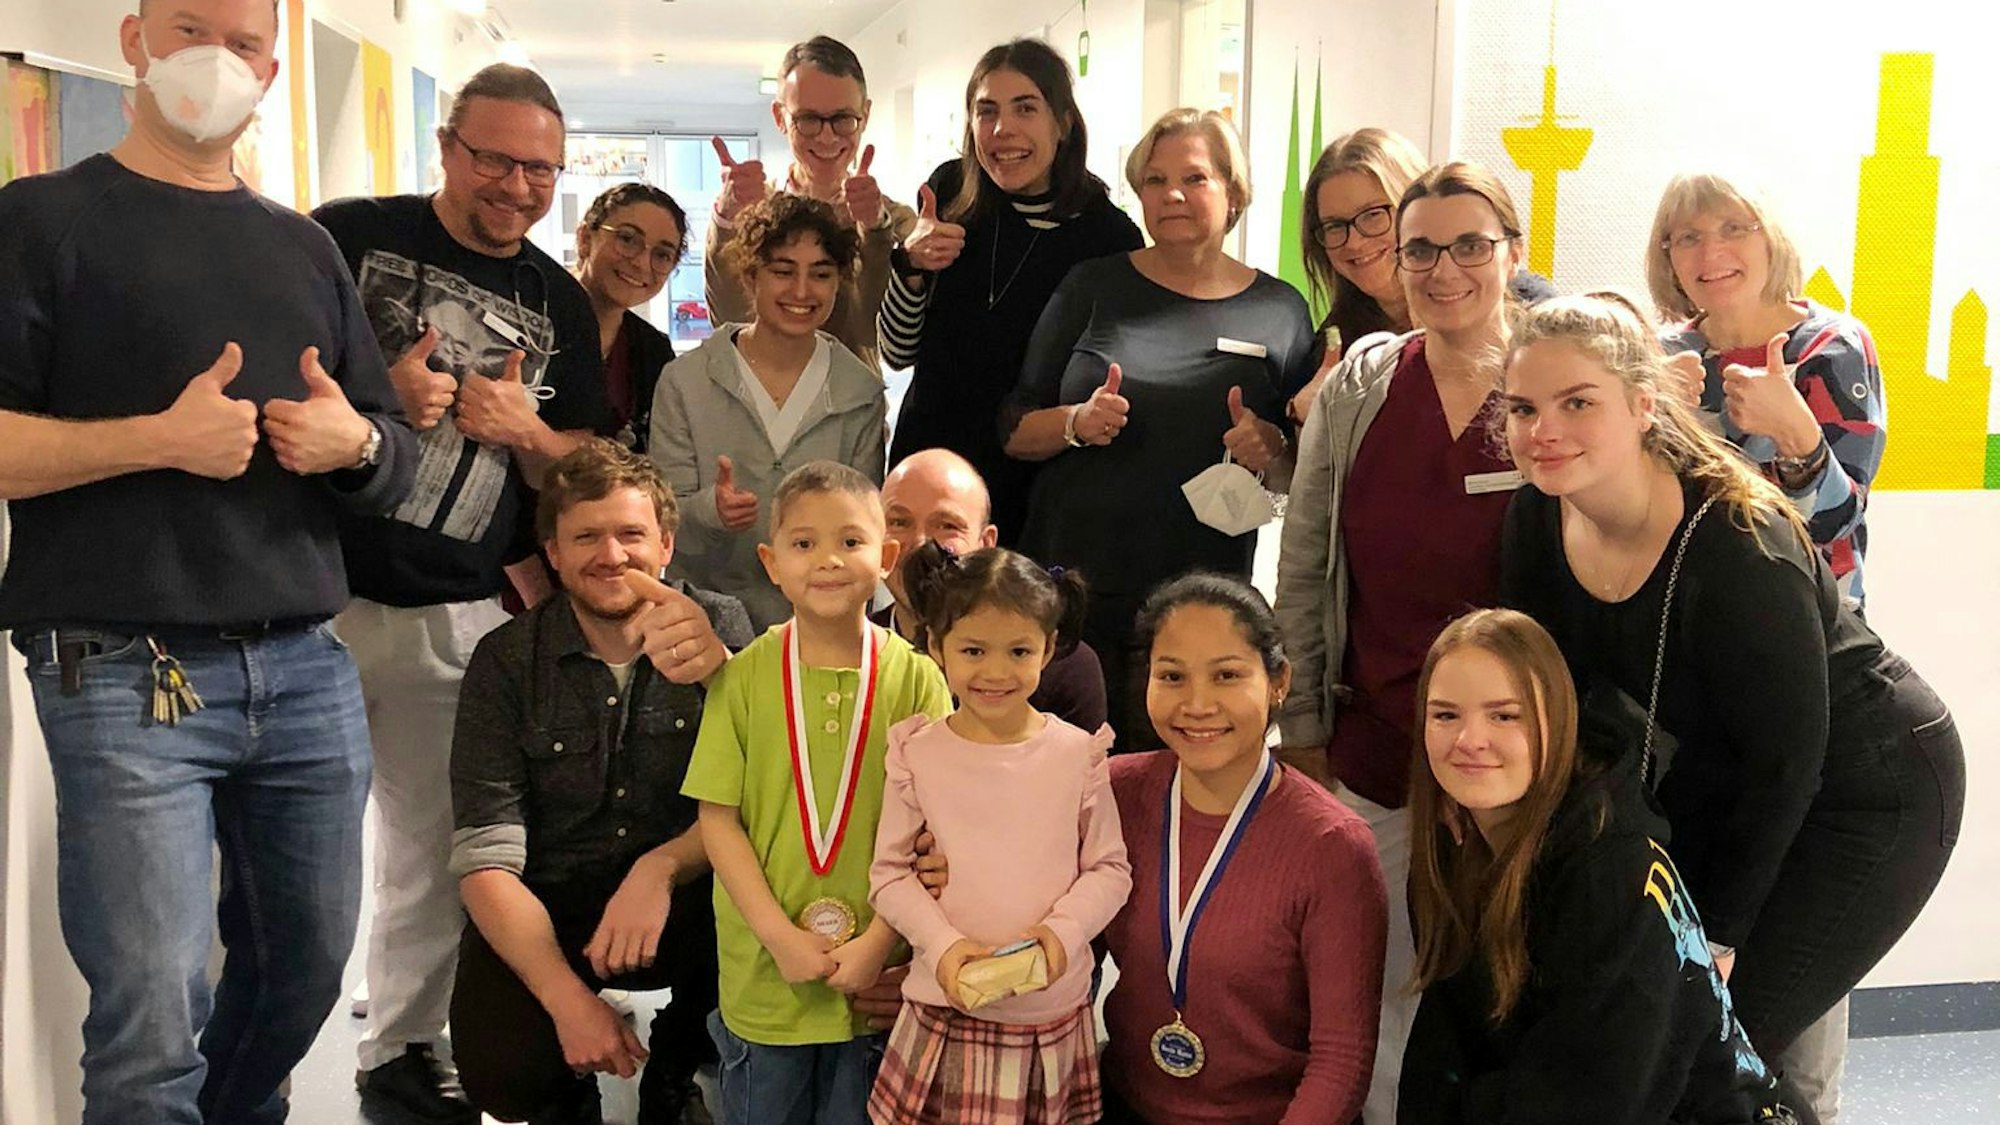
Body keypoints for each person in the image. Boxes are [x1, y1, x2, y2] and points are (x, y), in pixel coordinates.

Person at [0, 0, 417, 1119]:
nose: (216, 64)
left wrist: (357, 444)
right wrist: (159, 442)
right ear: (135, 42)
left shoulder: (303, 246)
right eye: (192, 30)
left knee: (304, 975)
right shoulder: (40, 223)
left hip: (305, 665)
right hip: (119, 667)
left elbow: (393, 454)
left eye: (243, 46)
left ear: (273, 70)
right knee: (151, 1011)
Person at [1498, 294, 1964, 1118]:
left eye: (1578, 403)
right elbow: (1558, 710)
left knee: (1716, 1044)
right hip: (1724, 772)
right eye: (1525, 408)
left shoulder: (1740, 541)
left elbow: (1787, 764)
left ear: (1643, 406)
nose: (1546, 430)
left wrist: (1716, 935)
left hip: (1871, 789)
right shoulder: (1536, 518)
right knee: (1647, 1037)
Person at [313, 62, 611, 1121]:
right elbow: (265, 382)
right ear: (448, 146)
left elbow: (583, 458)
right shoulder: (342, 235)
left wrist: (524, 432)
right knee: (278, 851)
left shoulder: (557, 296)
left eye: (539, 167)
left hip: (456, 612)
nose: (516, 185)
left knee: (432, 852)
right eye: (495, 157)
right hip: (310, 600)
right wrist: (376, 398)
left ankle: (397, 1049)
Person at [1273, 160, 1530, 1124]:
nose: (1444, 267)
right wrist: (1299, 727)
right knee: (1376, 993)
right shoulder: (1366, 384)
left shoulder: (1550, 383)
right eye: (1421, 247)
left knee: (1510, 981)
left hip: (1515, 758)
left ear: (1513, 252)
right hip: (1378, 745)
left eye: (1470, 244)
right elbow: (1304, 563)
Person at [1398, 608, 1800, 1125]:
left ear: (1558, 723)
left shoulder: (1611, 875)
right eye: (1445, 715)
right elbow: (1441, 1060)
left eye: (1505, 715)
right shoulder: (1453, 854)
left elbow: (1588, 1103)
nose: (1469, 740)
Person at [446, 440, 745, 1125]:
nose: (611, 555)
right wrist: (568, 1001)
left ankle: (673, 1072)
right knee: (504, 1074)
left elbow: (763, 796)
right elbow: (485, 860)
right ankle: (566, 1083)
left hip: (689, 899)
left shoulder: (721, 628)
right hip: (551, 904)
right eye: (586, 536)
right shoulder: (505, 661)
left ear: (666, 545)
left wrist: (661, 868)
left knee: (764, 904)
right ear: (552, 550)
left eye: (631, 534)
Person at [1004, 108, 1313, 744]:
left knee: (1180, 778)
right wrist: (1075, 423)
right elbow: (1013, 428)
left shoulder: (1279, 310)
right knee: (1065, 777)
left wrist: (1272, 447)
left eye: (1195, 178)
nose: (1171, 194)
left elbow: (1299, 471)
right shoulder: (1092, 285)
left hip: (1201, 600)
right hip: (1075, 591)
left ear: (1233, 194)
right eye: (1154, 179)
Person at [682, 461, 952, 1125]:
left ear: (887, 556)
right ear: (772, 563)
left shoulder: (917, 681)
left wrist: (880, 939)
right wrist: (777, 935)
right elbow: (718, 822)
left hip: (875, 981)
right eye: (804, 543)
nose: (828, 560)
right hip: (767, 982)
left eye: (851, 542)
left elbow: (939, 833)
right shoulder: (742, 679)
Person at [1100, 574, 1385, 1123]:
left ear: (1278, 681)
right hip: (1123, 1102)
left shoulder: (1331, 847)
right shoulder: (1112, 791)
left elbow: (1341, 1062)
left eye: (1227, 675)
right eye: (1172, 676)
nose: (1197, 704)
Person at [867, 543, 1131, 1124]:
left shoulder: (1078, 754)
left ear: (1049, 647)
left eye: (1018, 650)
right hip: (944, 1006)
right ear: (937, 647)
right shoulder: (917, 751)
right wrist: (944, 948)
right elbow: (889, 875)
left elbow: (1110, 869)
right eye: (972, 650)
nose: (994, 671)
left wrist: (1059, 937)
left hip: (1048, 1011)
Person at [879, 39, 1143, 541]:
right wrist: (909, 266)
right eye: (987, 111)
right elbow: (896, 352)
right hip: (932, 462)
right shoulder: (950, 193)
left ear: (1062, 122)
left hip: (1037, 481)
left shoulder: (1108, 237)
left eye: (1025, 108)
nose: (1003, 130)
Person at [1647, 173, 1885, 609]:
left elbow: (1836, 522)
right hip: (1687, 615)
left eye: (1733, 228)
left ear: (1771, 238)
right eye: (1687, 237)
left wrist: (1798, 437)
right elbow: (1634, 519)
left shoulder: (1832, 347)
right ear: (1668, 258)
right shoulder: (1658, 356)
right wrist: (1650, 426)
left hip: (1810, 619)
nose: (1711, 252)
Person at [651, 193, 887, 630]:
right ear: (751, 274)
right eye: (783, 271)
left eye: (821, 274)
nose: (801, 291)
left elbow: (862, 526)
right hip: (705, 623)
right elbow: (661, 526)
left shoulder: (858, 392)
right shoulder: (686, 382)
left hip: (819, 626)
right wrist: (711, 511)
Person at [1292, 128, 1555, 425]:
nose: (1354, 242)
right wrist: (1300, 423)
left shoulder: (1535, 316)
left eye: (1374, 215)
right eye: (1336, 226)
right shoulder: (1341, 349)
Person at [704, 35, 914, 370]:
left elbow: (872, 333)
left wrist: (875, 229)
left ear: (866, 114)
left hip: (852, 413)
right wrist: (727, 219)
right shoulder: (751, 211)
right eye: (808, 119)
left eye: (843, 118)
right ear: (779, 117)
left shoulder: (894, 220)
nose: (827, 137)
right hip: (757, 408)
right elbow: (728, 319)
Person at [876, 447, 1108, 730]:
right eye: (899, 522)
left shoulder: (1063, 665)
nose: (921, 543)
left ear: (986, 542)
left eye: (947, 525)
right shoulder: (849, 651)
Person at [576, 182, 688, 452]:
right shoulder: (532, 317)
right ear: (585, 238)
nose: (640, 263)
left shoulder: (653, 352)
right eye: (627, 239)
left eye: (661, 254)